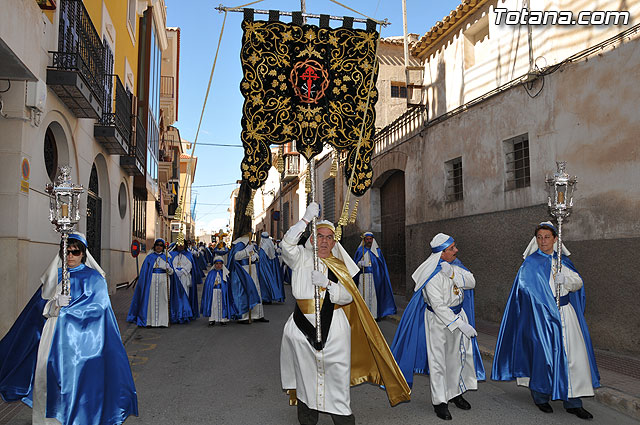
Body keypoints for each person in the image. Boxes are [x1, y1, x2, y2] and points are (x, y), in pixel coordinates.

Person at [280, 202, 410, 425]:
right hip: (300, 329)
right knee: (305, 375)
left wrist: (328, 286)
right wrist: (304, 219)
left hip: (334, 329)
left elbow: (348, 296)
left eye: (329, 237)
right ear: (311, 238)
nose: (324, 240)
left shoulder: (339, 265)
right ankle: (308, 417)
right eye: (319, 235)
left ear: (334, 242)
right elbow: (286, 245)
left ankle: (342, 418)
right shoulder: (300, 257)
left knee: (336, 376)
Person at [0, 233, 138, 424]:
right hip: (52, 336)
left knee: (74, 383)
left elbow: (99, 309)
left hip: (82, 344)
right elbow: (39, 308)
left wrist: (68, 311)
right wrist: (55, 305)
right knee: (46, 377)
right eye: (67, 252)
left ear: (83, 254)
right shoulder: (54, 276)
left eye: (75, 252)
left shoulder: (95, 278)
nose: (71, 256)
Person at [492, 222, 600, 420]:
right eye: (539, 237)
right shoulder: (530, 263)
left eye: (547, 237)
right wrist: (543, 306)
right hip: (541, 318)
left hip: (565, 314)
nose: (543, 241)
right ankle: (541, 397)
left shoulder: (563, 261)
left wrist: (565, 280)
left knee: (572, 357)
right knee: (543, 357)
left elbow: (578, 282)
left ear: (555, 239)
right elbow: (523, 291)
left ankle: (573, 402)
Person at [390, 233, 483, 421]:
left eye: (455, 246)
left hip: (459, 315)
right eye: (452, 248)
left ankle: (455, 393)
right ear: (441, 253)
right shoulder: (431, 275)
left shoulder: (456, 266)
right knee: (439, 362)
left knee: (456, 358)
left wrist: (454, 274)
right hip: (438, 322)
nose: (456, 250)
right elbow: (438, 305)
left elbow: (471, 282)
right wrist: (460, 325)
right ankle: (440, 402)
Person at [127, 238, 192, 326]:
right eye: (157, 245)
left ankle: (162, 322)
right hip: (152, 281)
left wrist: (168, 268)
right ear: (155, 246)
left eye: (161, 245)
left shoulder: (167, 257)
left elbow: (171, 272)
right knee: (151, 300)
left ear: (163, 247)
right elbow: (144, 272)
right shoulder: (149, 257)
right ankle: (151, 321)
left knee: (164, 300)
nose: (159, 247)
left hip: (164, 281)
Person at [353, 232, 396, 320]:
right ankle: (363, 316)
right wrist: (360, 264)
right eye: (367, 239)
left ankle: (374, 315)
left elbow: (381, 265)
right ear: (364, 240)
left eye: (370, 239)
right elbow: (354, 265)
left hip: (374, 277)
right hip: (363, 277)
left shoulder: (377, 251)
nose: (369, 241)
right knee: (363, 295)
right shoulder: (360, 250)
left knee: (373, 296)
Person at [227, 233, 268, 324]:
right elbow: (236, 256)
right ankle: (244, 316)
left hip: (252, 269)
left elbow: (255, 254)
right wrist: (246, 252)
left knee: (256, 290)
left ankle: (257, 315)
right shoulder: (240, 244)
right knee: (246, 292)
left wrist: (255, 257)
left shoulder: (249, 243)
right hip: (244, 270)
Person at [201, 256, 238, 326]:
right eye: (217, 264)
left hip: (222, 292)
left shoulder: (225, 274)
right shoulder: (211, 273)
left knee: (223, 305)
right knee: (213, 305)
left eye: (220, 264)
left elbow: (227, 285)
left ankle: (223, 319)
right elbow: (208, 284)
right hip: (213, 292)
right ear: (214, 265)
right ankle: (212, 319)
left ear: (222, 265)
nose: (218, 265)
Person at [170, 237, 200, 320]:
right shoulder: (172, 254)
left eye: (182, 244)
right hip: (175, 277)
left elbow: (190, 265)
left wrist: (183, 271)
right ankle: (176, 313)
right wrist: (175, 270)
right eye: (179, 245)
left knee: (185, 294)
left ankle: (184, 313)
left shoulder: (188, 254)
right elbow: (170, 263)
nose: (180, 246)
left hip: (184, 277)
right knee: (176, 295)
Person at [258, 232, 286, 303]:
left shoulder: (263, 248)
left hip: (264, 268)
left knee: (265, 282)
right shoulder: (271, 246)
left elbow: (261, 260)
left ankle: (266, 298)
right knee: (272, 280)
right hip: (272, 268)